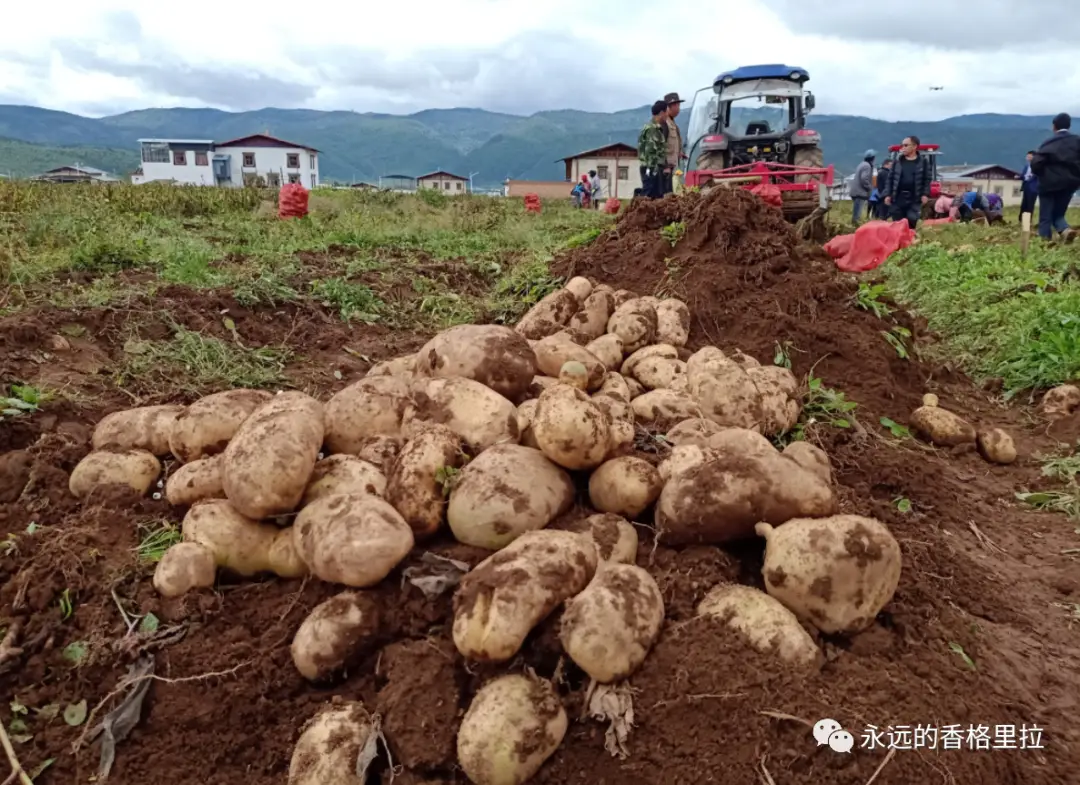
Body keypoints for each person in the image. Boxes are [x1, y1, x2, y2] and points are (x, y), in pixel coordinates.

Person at [1030, 112, 1080, 242]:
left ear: (1054, 126)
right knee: (1058, 213)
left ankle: (1045, 241)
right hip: (1069, 183)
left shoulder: (1049, 142)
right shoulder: (1077, 141)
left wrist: (1040, 174)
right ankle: (1065, 231)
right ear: (1069, 126)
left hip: (1048, 184)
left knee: (1045, 215)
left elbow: (1036, 162)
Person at [884, 136, 932, 229]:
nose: (903, 148)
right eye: (902, 145)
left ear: (914, 146)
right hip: (898, 198)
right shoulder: (897, 162)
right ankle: (898, 242)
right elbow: (890, 179)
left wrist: (925, 194)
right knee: (897, 224)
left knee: (911, 222)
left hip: (914, 198)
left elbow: (927, 179)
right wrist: (887, 194)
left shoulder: (923, 162)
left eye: (906, 145)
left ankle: (909, 241)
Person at [637, 100, 669, 199]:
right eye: (666, 112)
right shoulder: (652, 129)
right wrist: (654, 171)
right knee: (647, 196)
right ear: (661, 113)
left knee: (656, 197)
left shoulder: (655, 128)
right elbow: (650, 152)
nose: (667, 115)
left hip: (653, 167)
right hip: (651, 168)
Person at [662, 92, 686, 196]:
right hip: (666, 167)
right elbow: (660, 146)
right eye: (677, 105)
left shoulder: (673, 123)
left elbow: (673, 143)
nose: (678, 108)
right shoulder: (664, 124)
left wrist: (680, 152)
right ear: (669, 107)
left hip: (673, 165)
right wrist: (664, 165)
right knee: (666, 193)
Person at [850, 149, 875, 225]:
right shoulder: (867, 166)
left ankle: (855, 225)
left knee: (856, 212)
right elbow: (864, 178)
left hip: (856, 191)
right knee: (857, 214)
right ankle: (856, 227)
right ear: (873, 158)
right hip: (860, 193)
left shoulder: (862, 164)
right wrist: (869, 187)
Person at [1019, 150, 1038, 220]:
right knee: (1024, 204)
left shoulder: (1037, 166)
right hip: (1026, 185)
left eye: (1029, 156)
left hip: (1033, 188)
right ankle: (1021, 219)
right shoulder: (1027, 166)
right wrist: (1020, 177)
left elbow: (1037, 176)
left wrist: (1030, 178)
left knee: (1030, 205)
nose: (1027, 157)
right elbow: (1023, 175)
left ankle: (1028, 220)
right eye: (1027, 156)